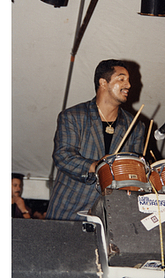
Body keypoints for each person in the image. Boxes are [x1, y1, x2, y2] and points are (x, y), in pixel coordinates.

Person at [45, 59, 145, 221]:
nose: (128, 85)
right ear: (103, 83)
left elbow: (134, 168)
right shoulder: (73, 116)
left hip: (111, 216)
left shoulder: (135, 125)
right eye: (121, 79)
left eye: (128, 80)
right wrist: (98, 167)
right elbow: (63, 157)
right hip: (70, 211)